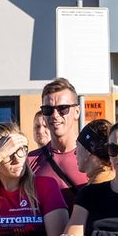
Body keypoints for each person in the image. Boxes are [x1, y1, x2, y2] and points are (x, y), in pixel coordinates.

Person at [28, 78, 89, 210]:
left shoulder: (95, 158)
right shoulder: (30, 162)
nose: (55, 115)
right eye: (48, 109)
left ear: (77, 112)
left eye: (63, 108)